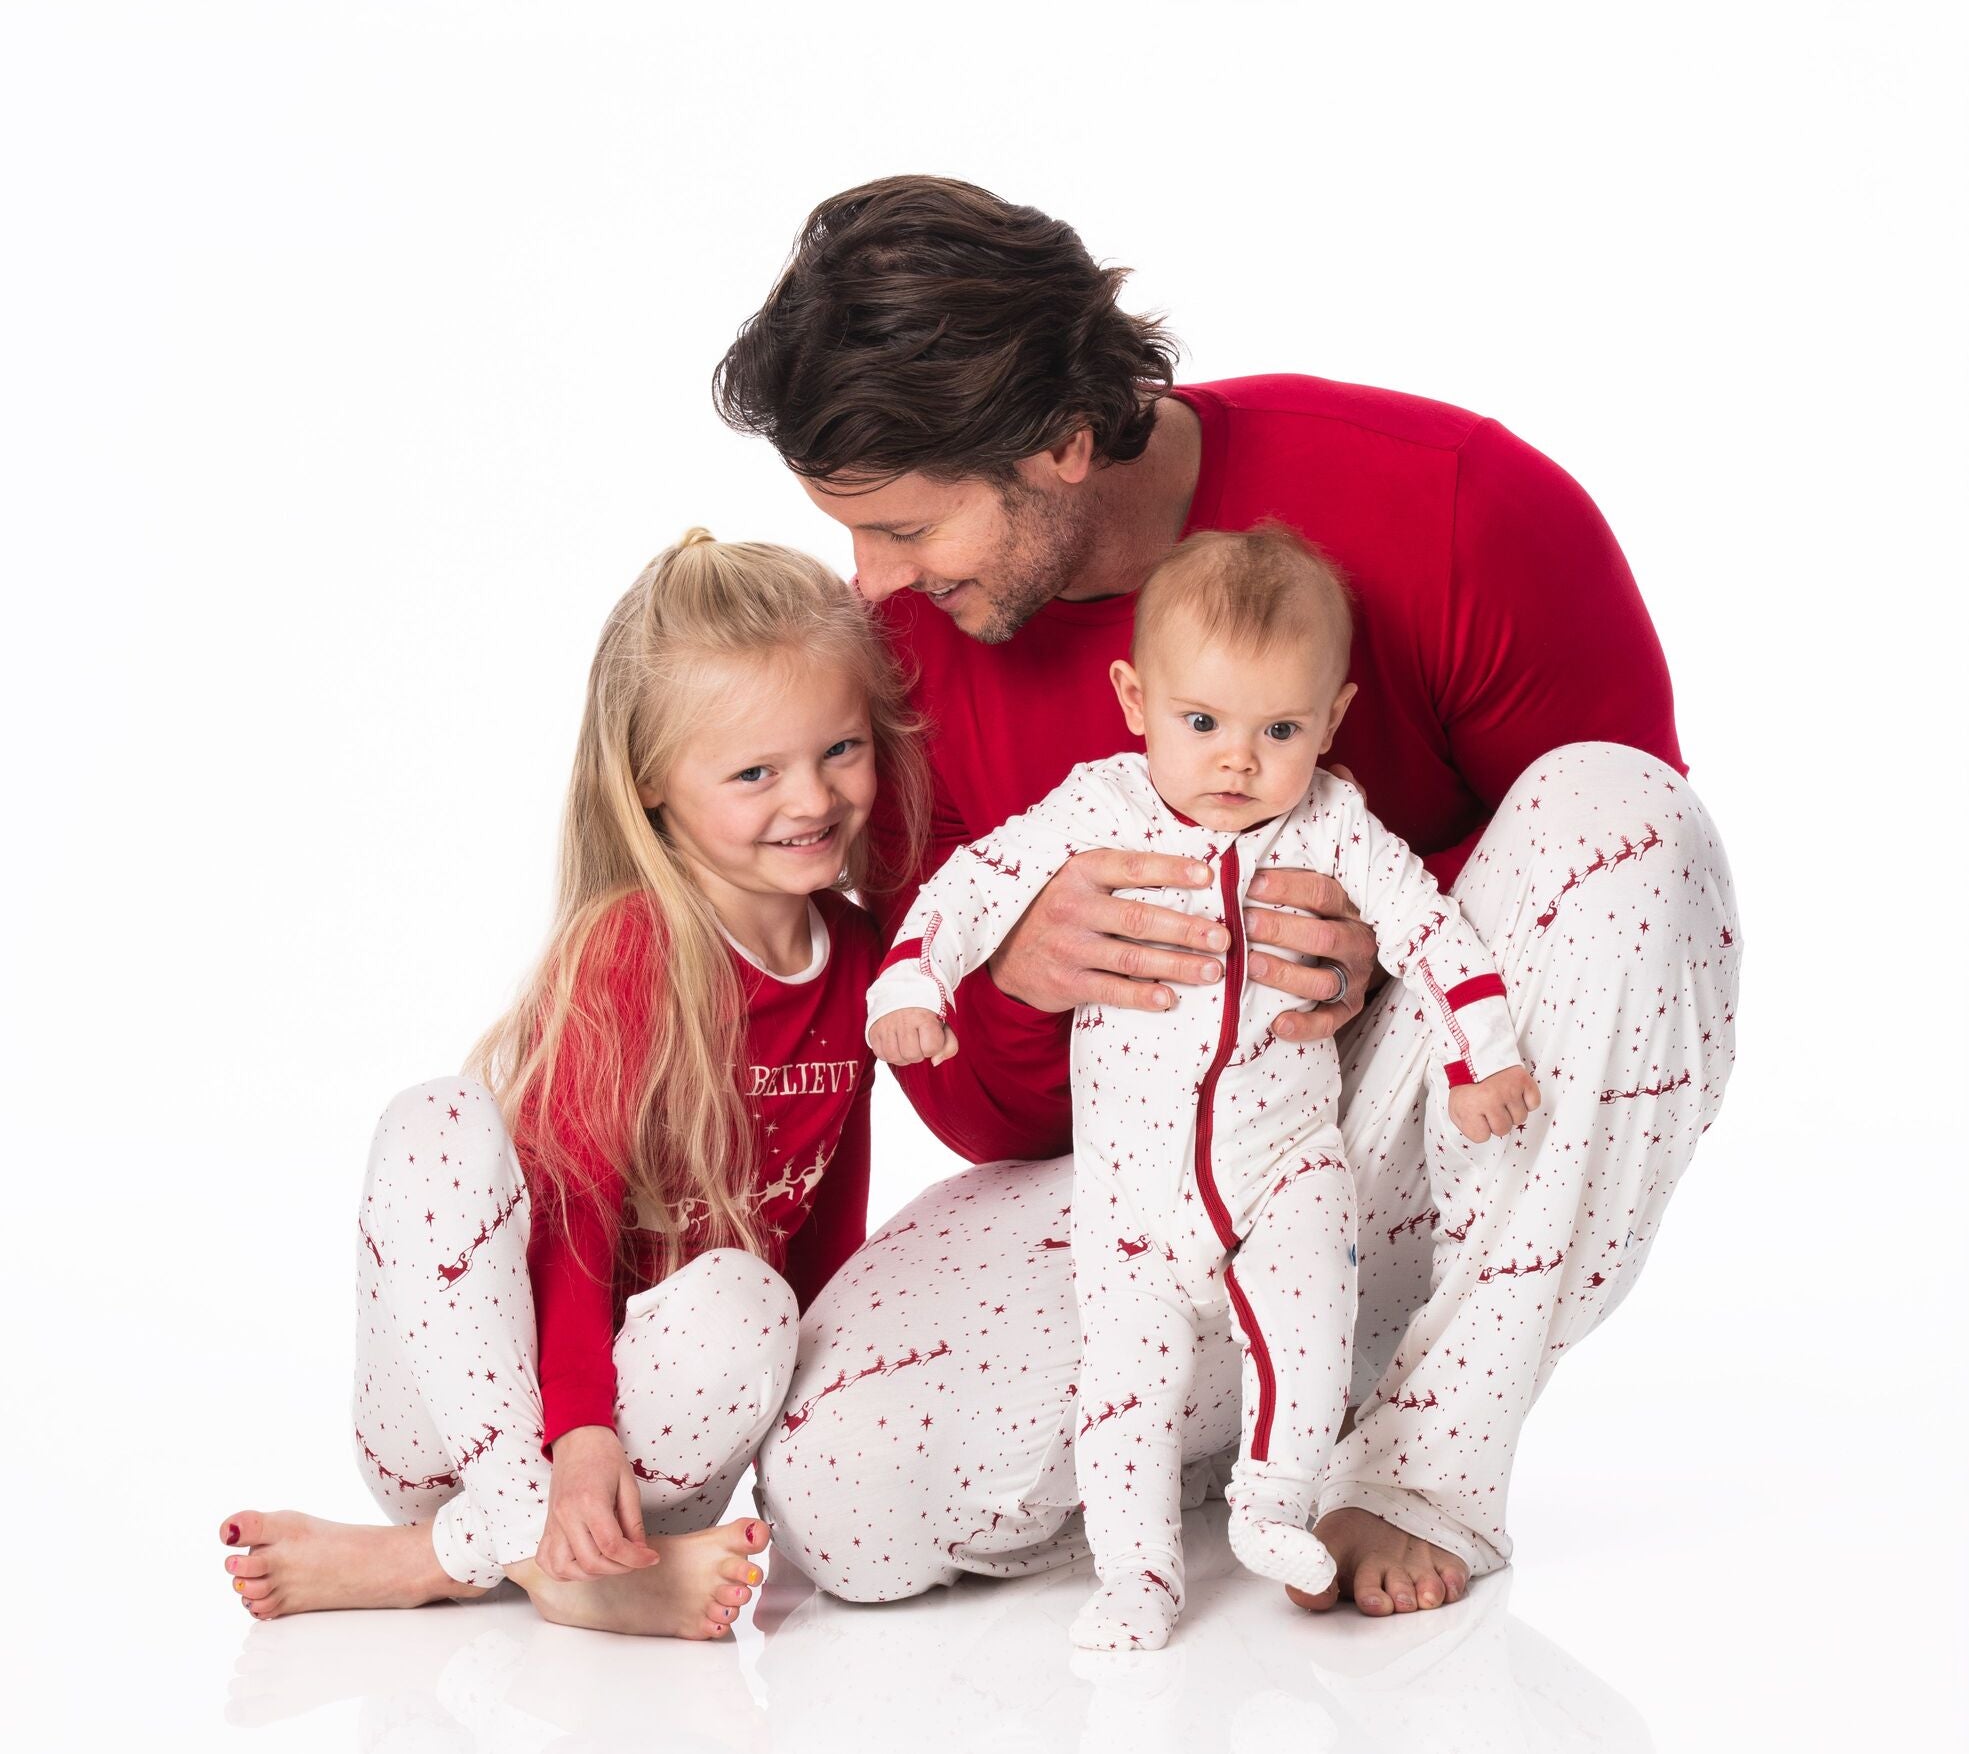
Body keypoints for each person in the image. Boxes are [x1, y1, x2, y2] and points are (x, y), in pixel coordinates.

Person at [716, 175, 1742, 1617]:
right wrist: (1021, 979)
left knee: (1627, 815)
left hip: (1424, 1122)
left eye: (906, 527)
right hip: (1144, 1180)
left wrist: (1377, 941)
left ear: (1062, 442)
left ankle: (1422, 1462)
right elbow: (982, 1119)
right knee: (843, 1490)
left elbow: (1632, 906)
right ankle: (1267, 1407)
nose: (870, 578)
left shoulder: (1457, 503)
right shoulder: (901, 664)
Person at [218, 530, 927, 1637]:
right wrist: (576, 1435)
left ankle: (442, 1564)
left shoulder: (861, 956)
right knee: (436, 1117)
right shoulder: (631, 946)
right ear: (651, 783)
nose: (812, 797)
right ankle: (526, 1549)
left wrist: (815, 1439)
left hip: (652, 1468)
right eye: (755, 772)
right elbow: (572, 1211)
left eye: (840, 748)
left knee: (753, 1297)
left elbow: (830, 1219)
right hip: (477, 1428)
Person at [868, 526, 1541, 1651]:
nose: (1237, 761)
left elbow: (1429, 928)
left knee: (1308, 1332)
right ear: (1135, 701)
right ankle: (1136, 1575)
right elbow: (972, 882)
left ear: (1330, 719)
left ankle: (1274, 1506)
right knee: (1124, 1383)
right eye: (1202, 723)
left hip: (1287, 1162)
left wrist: (1483, 1054)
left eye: (1278, 730)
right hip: (1133, 1186)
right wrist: (912, 980)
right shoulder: (1097, 806)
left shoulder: (1332, 824)